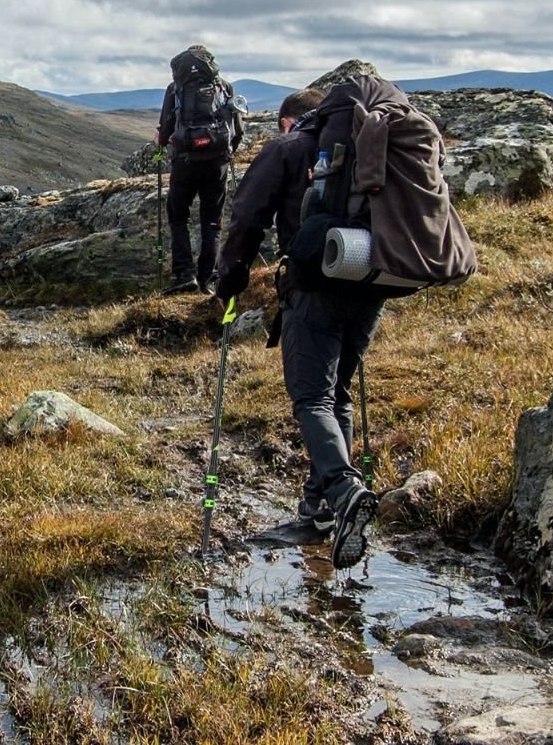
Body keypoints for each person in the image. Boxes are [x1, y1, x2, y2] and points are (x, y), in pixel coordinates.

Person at [215, 87, 382, 570]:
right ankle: (321, 509)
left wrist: (230, 282)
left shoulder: (287, 148)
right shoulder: (371, 143)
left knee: (313, 397)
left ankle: (344, 490)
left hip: (314, 284)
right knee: (337, 394)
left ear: (290, 121)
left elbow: (247, 218)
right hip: (371, 278)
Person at [154, 44, 243, 295]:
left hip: (185, 162)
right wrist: (228, 153)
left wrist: (161, 142)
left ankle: (184, 275)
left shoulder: (175, 88)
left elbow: (165, 128)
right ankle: (209, 279)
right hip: (217, 162)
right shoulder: (224, 87)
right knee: (212, 221)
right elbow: (237, 130)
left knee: (178, 215)